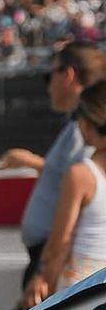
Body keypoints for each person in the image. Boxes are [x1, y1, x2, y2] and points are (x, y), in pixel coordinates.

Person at [0, 41, 106, 308]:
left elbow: (81, 196)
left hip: (61, 264)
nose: (48, 85)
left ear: (68, 74)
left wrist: (43, 275)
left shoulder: (84, 132)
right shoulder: (77, 128)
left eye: (50, 75)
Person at [38, 81, 106, 297]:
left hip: (81, 288)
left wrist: (44, 280)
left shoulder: (81, 174)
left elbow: (60, 243)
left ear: (88, 122)